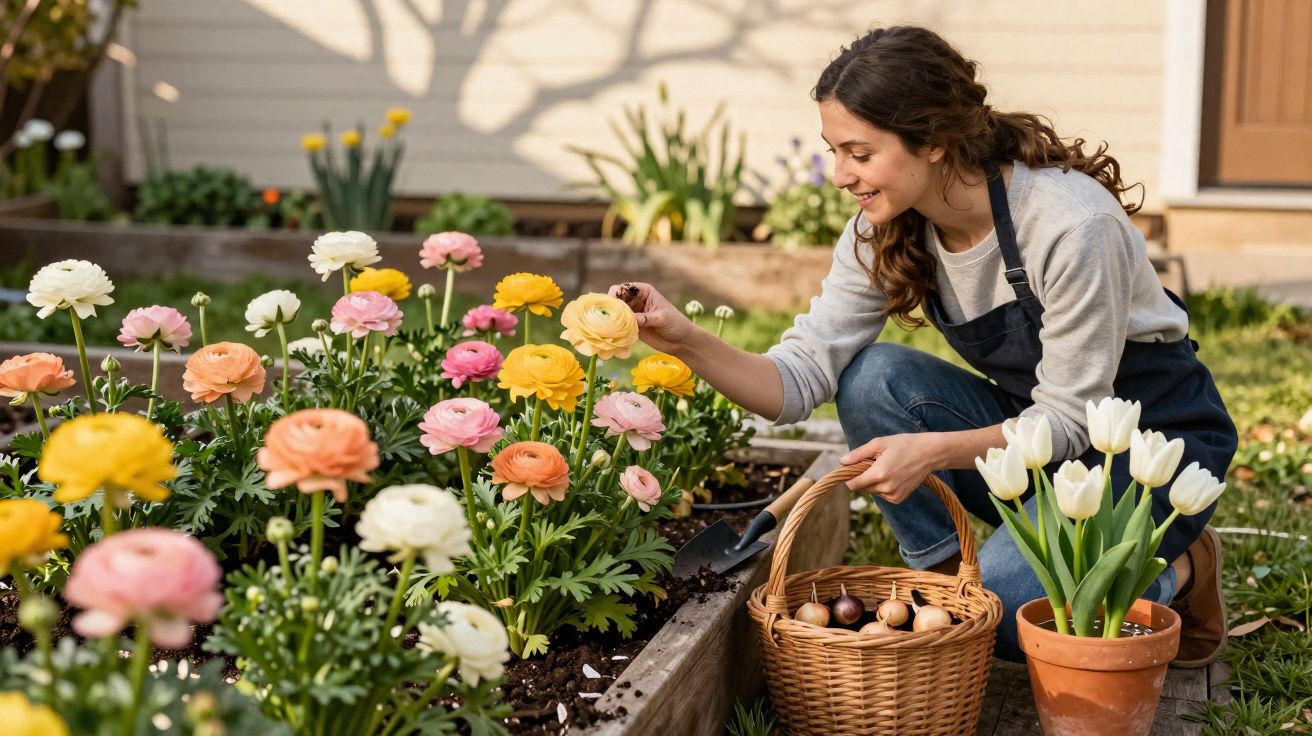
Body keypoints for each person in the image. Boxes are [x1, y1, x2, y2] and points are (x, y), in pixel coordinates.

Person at [609, 25, 1237, 664]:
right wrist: (681, 339)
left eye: (858, 152)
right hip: (1037, 441)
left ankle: (1180, 564)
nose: (839, 175)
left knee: (1009, 616)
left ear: (933, 141)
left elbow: (1074, 418)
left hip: (1147, 450)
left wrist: (932, 450)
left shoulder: (1071, 226)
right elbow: (797, 382)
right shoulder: (884, 228)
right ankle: (944, 589)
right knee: (872, 378)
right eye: (834, 151)